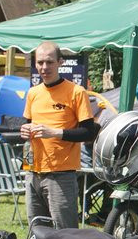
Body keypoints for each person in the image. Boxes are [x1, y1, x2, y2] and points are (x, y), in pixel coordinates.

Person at [20, 41, 96, 229]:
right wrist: (24, 130)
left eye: (49, 62)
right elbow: (27, 124)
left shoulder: (76, 92)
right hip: (33, 172)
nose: (44, 68)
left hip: (61, 175)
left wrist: (54, 133)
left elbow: (89, 132)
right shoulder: (33, 93)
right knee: (36, 233)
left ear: (60, 62)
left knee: (65, 233)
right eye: (40, 63)